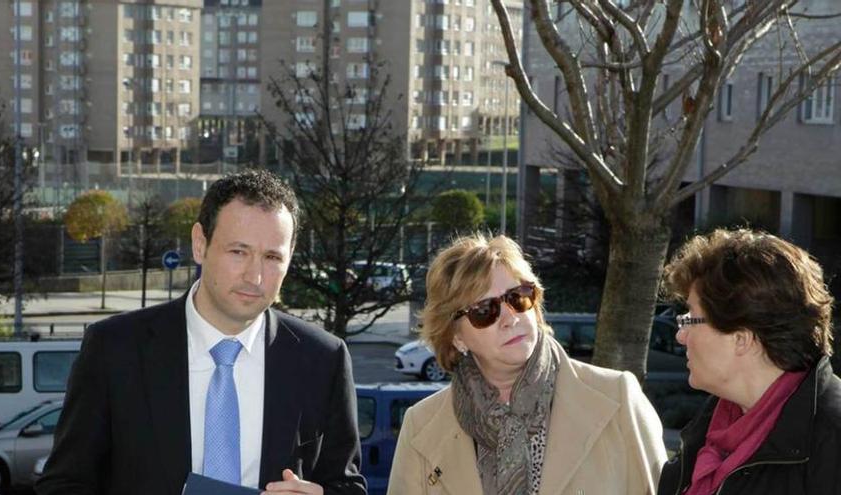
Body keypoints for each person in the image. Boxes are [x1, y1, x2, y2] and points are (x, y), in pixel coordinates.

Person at [37, 170, 366, 495]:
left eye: (271, 257)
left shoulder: (323, 359)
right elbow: (65, 483)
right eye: (238, 251)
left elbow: (347, 485)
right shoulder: (115, 349)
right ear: (199, 244)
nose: (255, 276)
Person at [387, 234, 666, 495]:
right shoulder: (421, 426)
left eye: (517, 297)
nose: (510, 317)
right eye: (485, 310)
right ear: (457, 337)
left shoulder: (617, 397)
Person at [657, 228, 840, 495]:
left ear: (741, 338)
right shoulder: (710, 429)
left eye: (691, 319)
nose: (680, 335)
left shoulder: (831, 443)